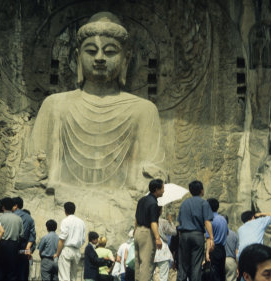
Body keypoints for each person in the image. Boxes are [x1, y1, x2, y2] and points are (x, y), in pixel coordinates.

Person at [19, 11, 165, 191]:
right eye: (91, 51)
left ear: (125, 59)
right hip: (61, 202)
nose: (100, 58)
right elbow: (32, 174)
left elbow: (151, 179)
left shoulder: (143, 110)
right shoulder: (55, 104)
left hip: (121, 204)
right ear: (78, 56)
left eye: (110, 52)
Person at [176, 180, 214, 281]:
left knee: (183, 265)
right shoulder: (204, 203)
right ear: (201, 190)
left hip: (184, 235)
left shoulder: (184, 204)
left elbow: (179, 222)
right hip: (197, 235)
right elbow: (207, 222)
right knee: (196, 265)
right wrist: (211, 237)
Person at [134, 179, 164, 281]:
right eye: (162, 188)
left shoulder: (141, 200)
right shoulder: (153, 203)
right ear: (157, 189)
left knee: (138, 264)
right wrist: (157, 238)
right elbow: (153, 222)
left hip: (137, 232)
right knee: (146, 264)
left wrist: (135, 231)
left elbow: (136, 219)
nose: (163, 191)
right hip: (146, 233)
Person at [54, 202, 86, 281]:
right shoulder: (81, 222)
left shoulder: (65, 221)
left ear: (65, 211)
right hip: (77, 250)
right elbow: (83, 240)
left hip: (67, 249)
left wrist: (57, 253)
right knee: (74, 277)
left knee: (64, 277)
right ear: (74, 210)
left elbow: (62, 239)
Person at [0, 197, 24, 280]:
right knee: (12, 271)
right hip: (13, 246)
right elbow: (21, 235)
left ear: (3, 207)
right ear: (12, 206)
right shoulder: (18, 219)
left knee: (0, 270)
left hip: (0, 245)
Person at [12, 196, 36, 280]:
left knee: (11, 273)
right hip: (24, 249)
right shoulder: (29, 218)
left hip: (11, 247)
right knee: (23, 274)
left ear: (15, 205)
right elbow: (32, 236)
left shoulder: (11, 215)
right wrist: (28, 248)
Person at [205, 198, 228, 281]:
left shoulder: (210, 220)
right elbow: (227, 233)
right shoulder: (223, 219)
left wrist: (207, 252)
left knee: (213, 274)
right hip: (222, 249)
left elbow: (208, 238)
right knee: (222, 273)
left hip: (213, 248)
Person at [154, 206, 177, 281]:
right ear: (160, 211)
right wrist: (171, 222)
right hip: (162, 250)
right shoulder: (163, 222)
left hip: (150, 250)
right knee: (163, 277)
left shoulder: (147, 222)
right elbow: (174, 232)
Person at [224, 216, 238, 281]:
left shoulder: (216, 233)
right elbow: (236, 252)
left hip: (218, 260)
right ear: (228, 222)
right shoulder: (234, 234)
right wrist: (237, 266)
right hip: (231, 261)